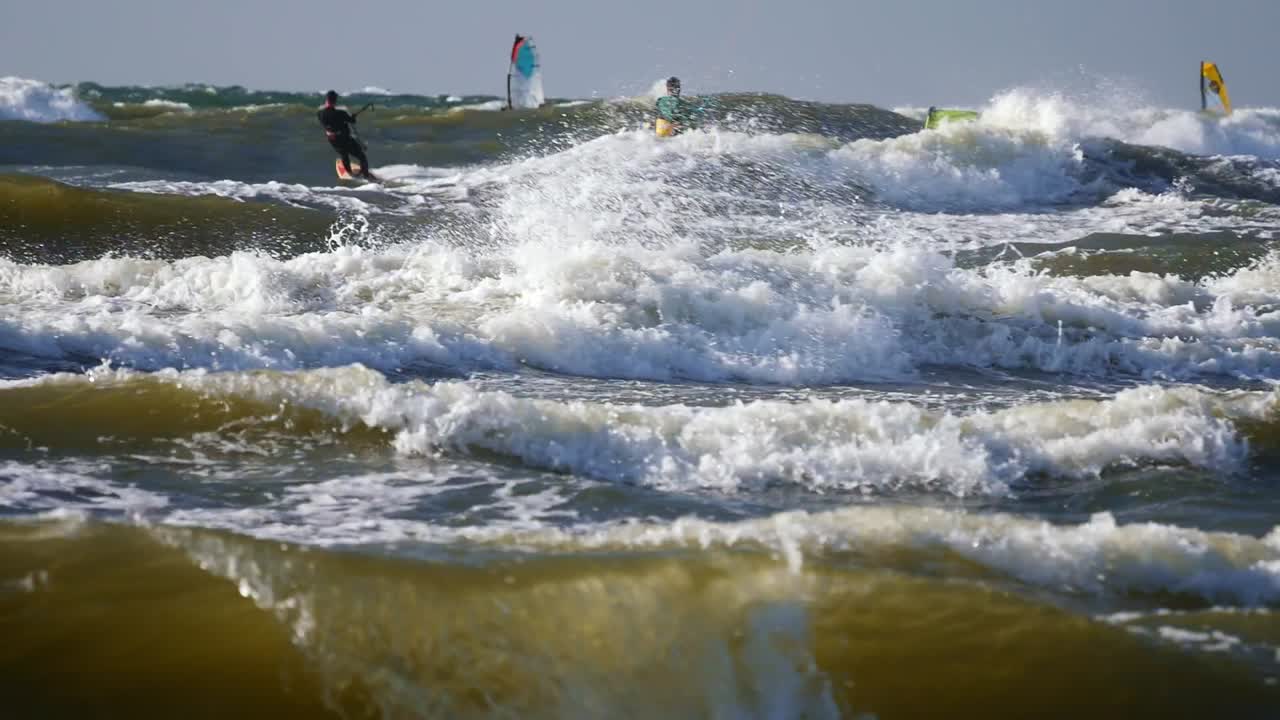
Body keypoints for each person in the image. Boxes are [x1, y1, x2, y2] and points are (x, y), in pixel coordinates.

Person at [317, 90, 375, 180]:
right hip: (344, 139)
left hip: (332, 140)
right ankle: (366, 175)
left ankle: (349, 172)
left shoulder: (320, 114)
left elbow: (329, 121)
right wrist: (352, 117)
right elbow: (352, 121)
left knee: (343, 154)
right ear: (335, 101)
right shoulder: (341, 113)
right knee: (362, 156)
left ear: (327, 100)